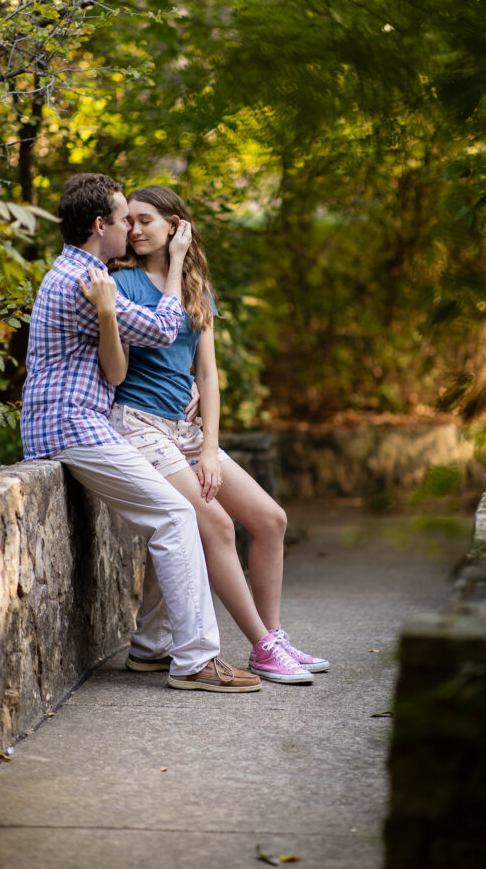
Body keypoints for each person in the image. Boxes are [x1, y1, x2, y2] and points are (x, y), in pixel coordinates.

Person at [20, 172, 261, 693]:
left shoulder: (82, 272)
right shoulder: (87, 280)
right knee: (178, 515)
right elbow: (161, 329)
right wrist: (175, 262)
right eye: (125, 217)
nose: (131, 227)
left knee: (171, 516)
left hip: (77, 419)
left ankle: (153, 649)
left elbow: (115, 368)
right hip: (73, 424)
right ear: (101, 223)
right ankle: (195, 660)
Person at [87, 184, 330, 684]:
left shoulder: (199, 289)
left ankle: (274, 636)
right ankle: (261, 647)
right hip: (140, 425)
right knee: (216, 525)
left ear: (176, 226)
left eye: (145, 220)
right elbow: (118, 368)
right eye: (127, 220)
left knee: (270, 519)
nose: (133, 230)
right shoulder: (123, 284)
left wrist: (212, 450)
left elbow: (208, 374)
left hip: (188, 428)